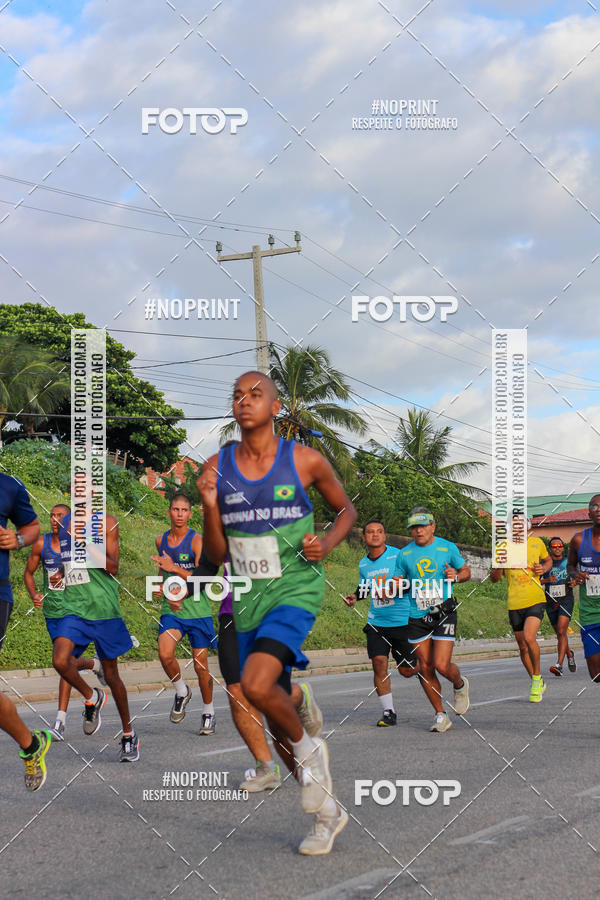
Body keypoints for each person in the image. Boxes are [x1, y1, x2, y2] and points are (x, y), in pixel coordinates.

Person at [198, 370, 356, 855]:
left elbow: (346, 510)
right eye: (237, 394)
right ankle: (327, 813)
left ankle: (312, 750)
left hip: (293, 589)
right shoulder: (217, 466)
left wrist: (324, 544)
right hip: (245, 596)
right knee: (271, 706)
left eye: (256, 394)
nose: (244, 401)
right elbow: (216, 556)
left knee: (258, 686)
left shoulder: (304, 460)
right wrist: (208, 503)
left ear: (276, 407)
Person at [50, 507, 139, 761]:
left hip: (103, 610)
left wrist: (87, 544)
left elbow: (113, 566)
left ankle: (128, 734)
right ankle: (93, 695)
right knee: (60, 660)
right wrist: (60, 572)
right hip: (74, 608)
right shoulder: (65, 521)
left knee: (112, 675)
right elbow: (65, 558)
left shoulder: (108, 522)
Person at [24, 503, 106, 739]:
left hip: (75, 613)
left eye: (61, 516)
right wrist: (34, 594)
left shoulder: (80, 546)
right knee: (64, 664)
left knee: (63, 662)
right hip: (52, 613)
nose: (55, 519)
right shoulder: (42, 543)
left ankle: (61, 721)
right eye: (52, 515)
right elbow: (28, 573)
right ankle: (93, 666)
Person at [398, 507, 471, 733]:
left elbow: (466, 571)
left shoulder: (447, 547)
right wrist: (394, 585)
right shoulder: (405, 554)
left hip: (443, 611)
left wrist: (456, 576)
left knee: (441, 665)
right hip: (416, 614)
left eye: (422, 526)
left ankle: (459, 684)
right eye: (414, 528)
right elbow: (398, 579)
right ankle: (440, 714)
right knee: (425, 668)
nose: (418, 531)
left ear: (432, 527)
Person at [0, 471, 51, 790]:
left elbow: (32, 527)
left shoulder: (9, 485)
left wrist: (16, 539)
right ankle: (32, 744)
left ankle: (30, 745)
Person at [151, 491, 217, 734]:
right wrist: (159, 584)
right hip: (172, 610)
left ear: (190, 514)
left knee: (201, 667)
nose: (179, 514)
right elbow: (162, 570)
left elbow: (204, 577)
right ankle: (181, 690)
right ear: (169, 512)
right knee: (164, 653)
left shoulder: (197, 540)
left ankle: (208, 711)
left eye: (184, 510)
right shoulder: (160, 540)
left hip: (197, 611)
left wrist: (174, 567)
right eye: (175, 509)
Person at [344, 519, 420, 726]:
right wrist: (354, 597)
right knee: (379, 664)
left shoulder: (398, 556)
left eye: (379, 532)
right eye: (370, 532)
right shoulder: (363, 564)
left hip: (403, 621)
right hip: (377, 622)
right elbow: (365, 587)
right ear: (364, 537)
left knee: (407, 671)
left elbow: (412, 582)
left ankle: (424, 666)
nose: (375, 535)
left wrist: (395, 589)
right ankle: (389, 712)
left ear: (385, 536)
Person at [491, 522, 551, 702]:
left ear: (526, 526)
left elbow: (547, 560)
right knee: (522, 645)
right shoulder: (502, 546)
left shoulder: (537, 543)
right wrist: (500, 564)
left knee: (529, 637)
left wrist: (544, 568)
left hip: (535, 598)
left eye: (521, 525)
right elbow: (494, 578)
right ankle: (535, 679)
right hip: (515, 602)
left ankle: (536, 677)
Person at [567, 494, 600, 683]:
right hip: (590, 613)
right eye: (594, 507)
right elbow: (570, 566)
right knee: (596, 675)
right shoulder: (579, 540)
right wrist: (575, 574)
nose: (599, 510)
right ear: (589, 513)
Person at [540, 536, 576, 676]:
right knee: (560, 634)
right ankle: (569, 654)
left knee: (562, 631)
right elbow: (536, 581)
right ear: (550, 549)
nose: (557, 548)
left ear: (563, 547)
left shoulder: (568, 561)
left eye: (559, 545)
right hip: (550, 601)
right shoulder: (545, 563)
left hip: (566, 599)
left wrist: (575, 582)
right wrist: (548, 579)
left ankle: (559, 665)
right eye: (554, 546)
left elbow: (577, 576)